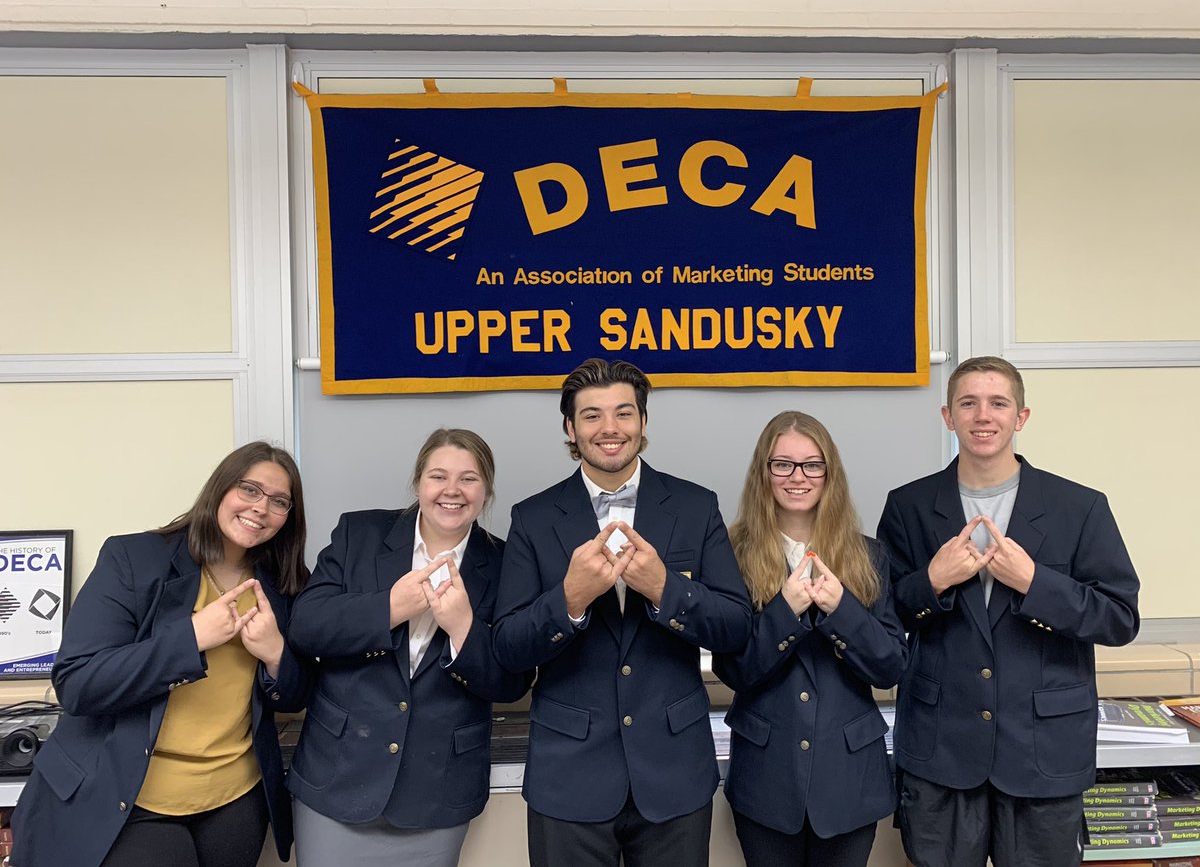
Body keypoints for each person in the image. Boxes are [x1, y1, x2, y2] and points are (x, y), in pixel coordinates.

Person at [876, 355, 1140, 867]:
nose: (983, 416)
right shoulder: (908, 505)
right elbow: (883, 620)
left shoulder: (1079, 506)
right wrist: (933, 581)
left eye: (998, 403)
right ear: (948, 416)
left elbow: (1119, 618)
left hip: (1044, 751)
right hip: (941, 749)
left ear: (1021, 417)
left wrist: (1035, 583)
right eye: (968, 403)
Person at [492, 358, 752, 867]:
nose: (609, 428)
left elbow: (735, 626)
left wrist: (664, 589)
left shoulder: (696, 506)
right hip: (568, 776)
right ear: (571, 428)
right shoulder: (532, 517)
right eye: (592, 415)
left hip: (675, 772)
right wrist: (569, 600)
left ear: (643, 421)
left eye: (623, 413)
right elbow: (508, 647)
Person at [9, 441, 311, 867]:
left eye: (279, 501)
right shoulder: (134, 558)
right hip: (129, 796)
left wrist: (277, 655)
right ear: (221, 489)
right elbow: (78, 683)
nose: (261, 508)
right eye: (249, 489)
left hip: (234, 799)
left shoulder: (284, 583)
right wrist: (190, 638)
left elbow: (296, 695)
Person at [286, 428, 532, 867]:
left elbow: (513, 681)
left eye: (469, 479)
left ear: (487, 490)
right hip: (338, 775)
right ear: (418, 482)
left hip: (438, 789)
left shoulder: (506, 562)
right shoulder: (359, 533)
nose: (452, 490)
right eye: (438, 476)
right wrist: (391, 608)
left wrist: (463, 628)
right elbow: (306, 625)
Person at [713, 411, 906, 867]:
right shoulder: (729, 554)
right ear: (764, 472)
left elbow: (889, 667)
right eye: (783, 464)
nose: (797, 477)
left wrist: (842, 610)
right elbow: (733, 670)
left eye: (812, 465)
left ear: (829, 473)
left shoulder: (870, 555)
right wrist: (784, 610)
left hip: (850, 778)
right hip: (766, 778)